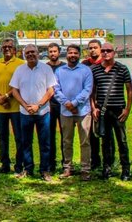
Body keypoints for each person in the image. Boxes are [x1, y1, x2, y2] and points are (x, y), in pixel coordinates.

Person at [10, 44, 56, 181]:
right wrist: (25, 105)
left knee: (45, 143)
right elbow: (14, 91)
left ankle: (45, 170)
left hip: (43, 113)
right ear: (24, 54)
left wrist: (38, 105)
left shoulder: (46, 69)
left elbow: (50, 90)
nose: (30, 54)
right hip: (25, 113)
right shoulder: (20, 70)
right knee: (26, 142)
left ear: (38, 53)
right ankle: (28, 169)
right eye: (27, 52)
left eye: (33, 52)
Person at [91, 42, 132, 180]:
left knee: (122, 140)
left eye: (108, 50)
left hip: (118, 110)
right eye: (103, 51)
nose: (105, 53)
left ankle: (126, 169)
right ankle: (107, 168)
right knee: (105, 140)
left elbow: (129, 90)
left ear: (114, 52)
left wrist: (127, 109)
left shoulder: (122, 69)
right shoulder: (95, 70)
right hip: (103, 110)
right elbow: (92, 91)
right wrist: (93, 108)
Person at [54, 44, 93, 180]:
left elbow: (87, 90)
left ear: (79, 55)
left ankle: (85, 169)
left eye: (75, 53)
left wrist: (75, 103)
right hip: (66, 112)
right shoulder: (59, 71)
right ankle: (68, 168)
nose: (73, 55)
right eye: (70, 53)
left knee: (85, 141)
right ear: (66, 54)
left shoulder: (86, 70)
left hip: (83, 111)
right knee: (67, 141)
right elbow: (56, 90)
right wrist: (67, 104)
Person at [0, 38, 25, 174]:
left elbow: (21, 84)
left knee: (19, 137)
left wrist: (7, 96)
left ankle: (19, 166)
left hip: (16, 107)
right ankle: (5, 165)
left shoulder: (21, 64)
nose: (7, 49)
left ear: (14, 49)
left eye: (9, 47)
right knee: (2, 137)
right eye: (4, 47)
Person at [45, 42, 65, 174]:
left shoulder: (64, 67)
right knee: (49, 136)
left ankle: (66, 163)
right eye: (50, 51)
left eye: (55, 51)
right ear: (48, 53)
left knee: (65, 136)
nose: (53, 53)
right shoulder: (44, 67)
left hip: (63, 106)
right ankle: (51, 163)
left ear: (59, 52)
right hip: (49, 106)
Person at [83, 38, 103, 171]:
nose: (92, 50)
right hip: (89, 104)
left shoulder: (105, 63)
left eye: (95, 47)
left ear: (100, 48)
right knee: (91, 134)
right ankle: (94, 160)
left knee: (106, 134)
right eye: (90, 48)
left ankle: (109, 161)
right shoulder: (84, 64)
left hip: (104, 103)